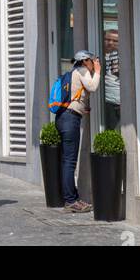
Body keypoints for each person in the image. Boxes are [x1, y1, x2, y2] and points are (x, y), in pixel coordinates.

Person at [56, 50, 101, 214]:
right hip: (70, 120)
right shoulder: (82, 71)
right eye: (92, 60)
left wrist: (83, 108)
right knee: (69, 162)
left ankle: (71, 198)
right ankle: (71, 201)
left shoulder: (73, 72)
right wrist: (97, 71)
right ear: (85, 61)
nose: (93, 63)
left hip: (63, 118)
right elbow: (93, 86)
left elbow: (77, 96)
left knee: (67, 161)